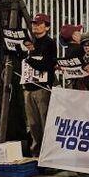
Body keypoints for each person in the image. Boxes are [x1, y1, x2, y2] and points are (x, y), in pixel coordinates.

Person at [22, 13, 57, 157]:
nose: (35, 26)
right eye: (34, 23)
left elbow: (47, 65)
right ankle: (36, 152)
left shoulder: (49, 43)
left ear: (47, 27)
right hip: (28, 87)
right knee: (33, 124)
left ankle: (48, 153)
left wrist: (29, 60)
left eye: (39, 23)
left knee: (45, 122)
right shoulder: (30, 42)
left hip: (42, 89)